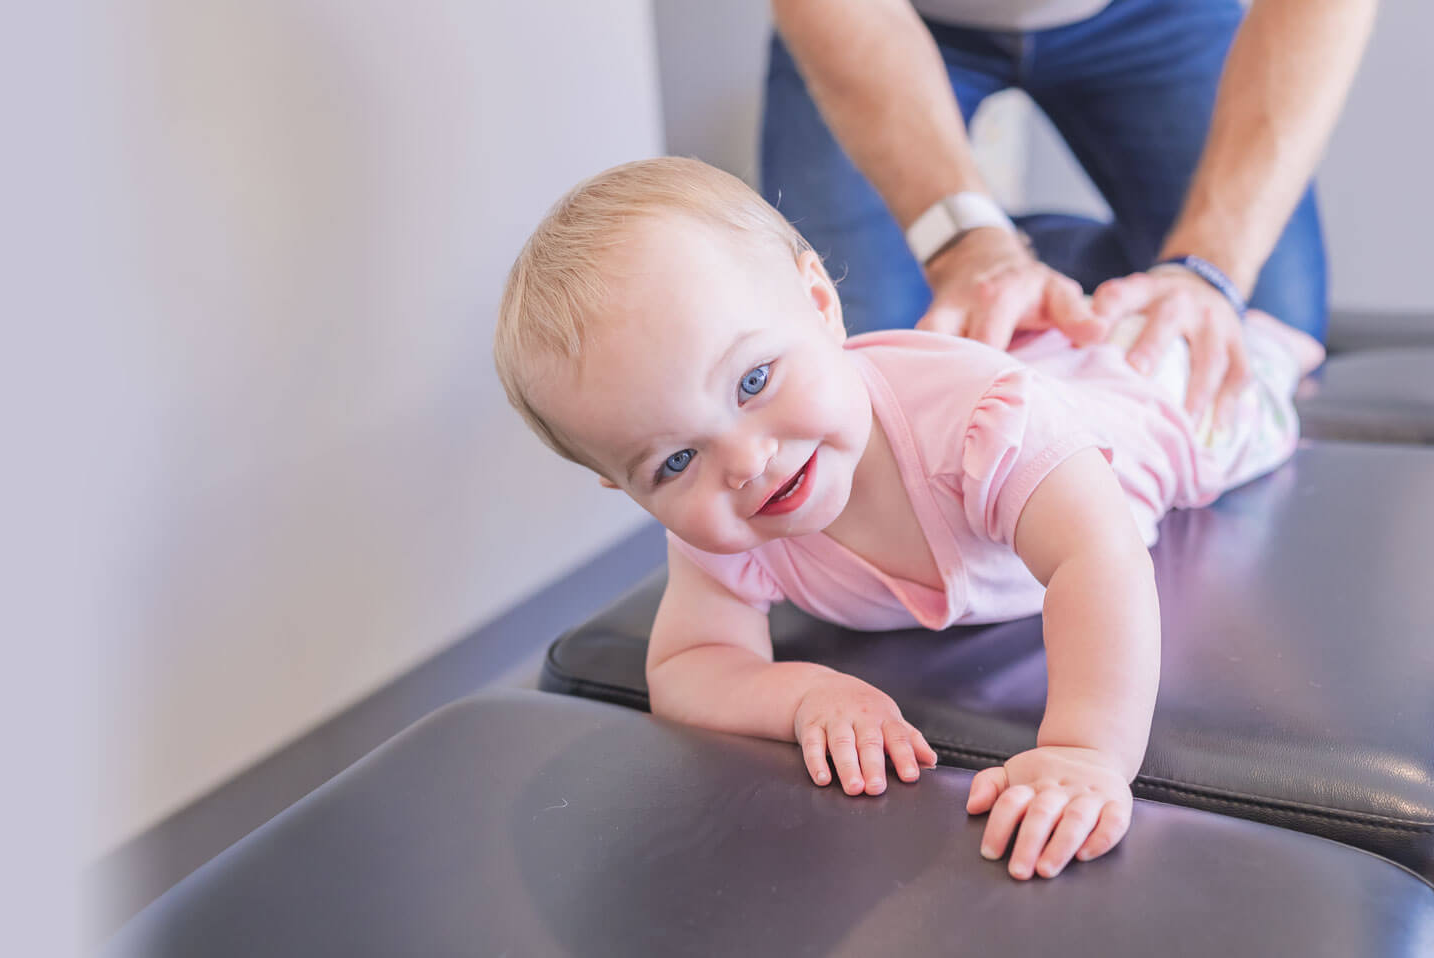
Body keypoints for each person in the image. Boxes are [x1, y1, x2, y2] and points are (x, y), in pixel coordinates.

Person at [493, 158, 1322, 880]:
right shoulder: (719, 527)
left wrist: (1081, 752)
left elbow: (1096, 558)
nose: (745, 462)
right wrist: (799, 694)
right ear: (625, 488)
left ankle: (1275, 350)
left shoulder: (978, 424)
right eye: (673, 461)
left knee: (1226, 404)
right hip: (1038, 392)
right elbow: (689, 665)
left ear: (820, 302)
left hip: (1138, 413)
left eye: (752, 382)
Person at [763, 0, 1374, 428]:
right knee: (856, 366)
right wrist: (967, 244)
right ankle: (1008, 257)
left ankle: (1051, 269)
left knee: (1258, 334)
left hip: (1153, 12)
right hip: (882, 15)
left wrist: (1205, 265)